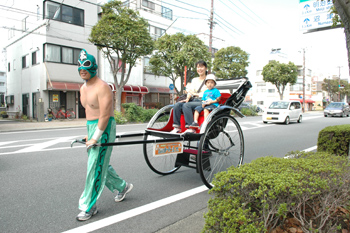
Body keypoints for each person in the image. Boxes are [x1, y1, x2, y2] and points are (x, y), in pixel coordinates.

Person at [76, 49, 133, 221]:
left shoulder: (103, 87)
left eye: (86, 65)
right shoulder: (82, 88)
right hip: (92, 127)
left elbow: (104, 115)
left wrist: (96, 136)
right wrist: (89, 135)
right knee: (100, 162)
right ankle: (122, 186)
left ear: (94, 67)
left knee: (94, 166)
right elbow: (89, 113)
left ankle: (88, 206)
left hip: (105, 127)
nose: (82, 69)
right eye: (79, 66)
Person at [170, 60, 208, 134]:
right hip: (193, 100)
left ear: (206, 68)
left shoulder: (209, 80)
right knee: (178, 104)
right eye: (198, 67)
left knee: (186, 105)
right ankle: (177, 127)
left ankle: (191, 127)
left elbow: (209, 93)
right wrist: (187, 99)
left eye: (201, 67)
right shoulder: (194, 80)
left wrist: (195, 94)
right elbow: (190, 91)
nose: (199, 69)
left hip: (203, 101)